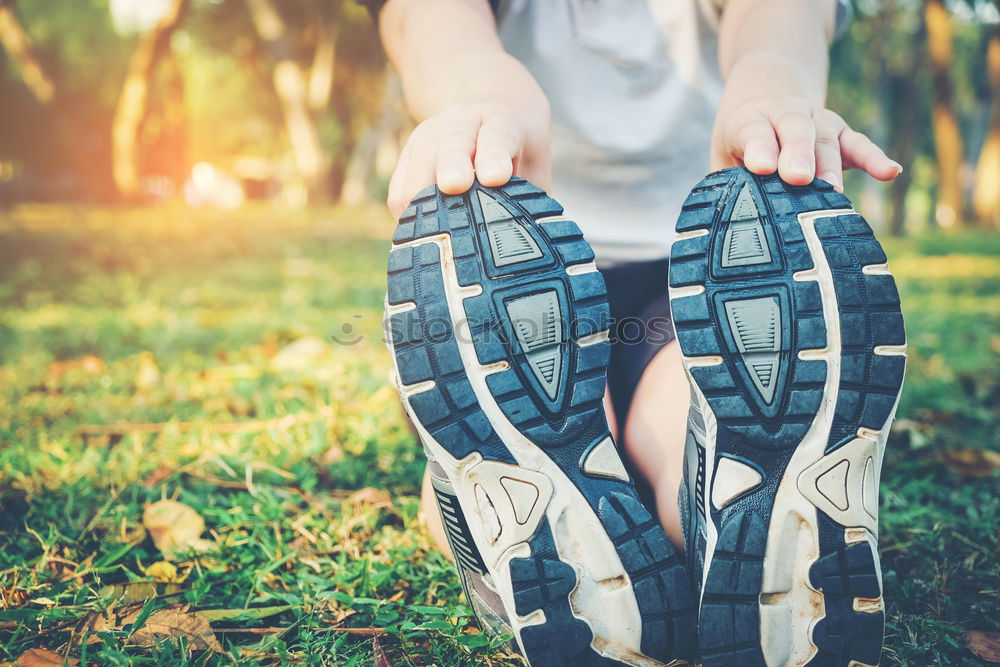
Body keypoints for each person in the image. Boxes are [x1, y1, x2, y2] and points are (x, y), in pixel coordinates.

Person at [374, 1, 905, 665]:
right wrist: (481, 93)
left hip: (684, 274)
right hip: (578, 277)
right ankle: (728, 526)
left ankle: (528, 528)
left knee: (518, 446)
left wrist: (769, 91)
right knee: (676, 428)